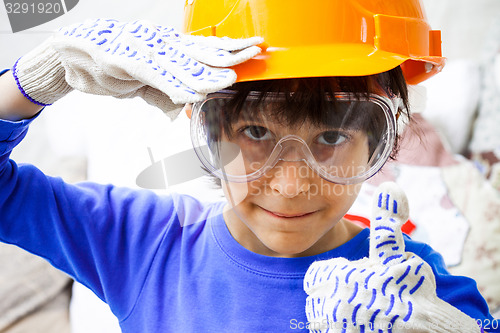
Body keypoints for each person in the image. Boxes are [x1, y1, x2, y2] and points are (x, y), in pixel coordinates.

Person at [0, 0, 497, 332]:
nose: (289, 186)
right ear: (209, 130)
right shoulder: (142, 241)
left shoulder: (409, 286)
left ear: (379, 142)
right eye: (257, 132)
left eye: (330, 136)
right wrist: (32, 80)